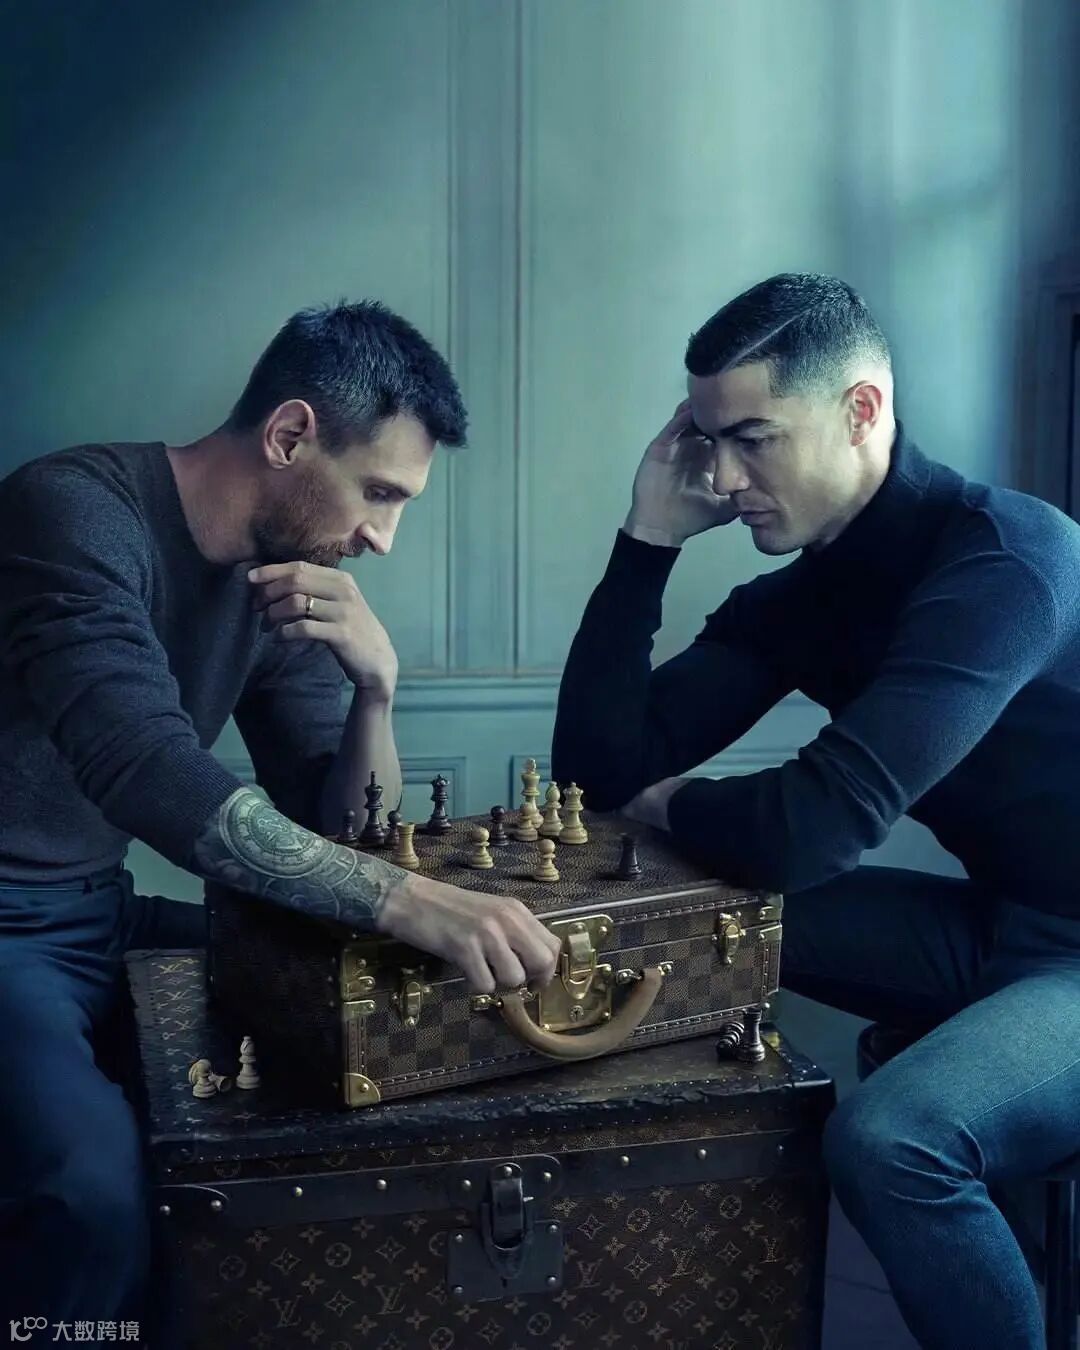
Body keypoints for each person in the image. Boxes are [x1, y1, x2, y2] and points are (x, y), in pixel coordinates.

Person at [0, 300, 561, 1327]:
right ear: (290, 434)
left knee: (356, 1017)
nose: (383, 537)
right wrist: (409, 900)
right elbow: (144, 768)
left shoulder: (284, 582)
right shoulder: (69, 512)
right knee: (88, 1191)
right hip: (8, 930)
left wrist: (376, 692)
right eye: (378, 493)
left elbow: (336, 827)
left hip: (101, 913)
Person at [551, 272, 1080, 1350]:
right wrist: (646, 541)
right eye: (710, 443)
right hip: (1002, 926)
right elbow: (595, 772)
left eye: (754, 439)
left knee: (891, 1142)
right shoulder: (802, 598)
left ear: (862, 410)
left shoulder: (1010, 558)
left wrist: (675, 799)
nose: (724, 477)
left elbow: (813, 829)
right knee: (673, 921)